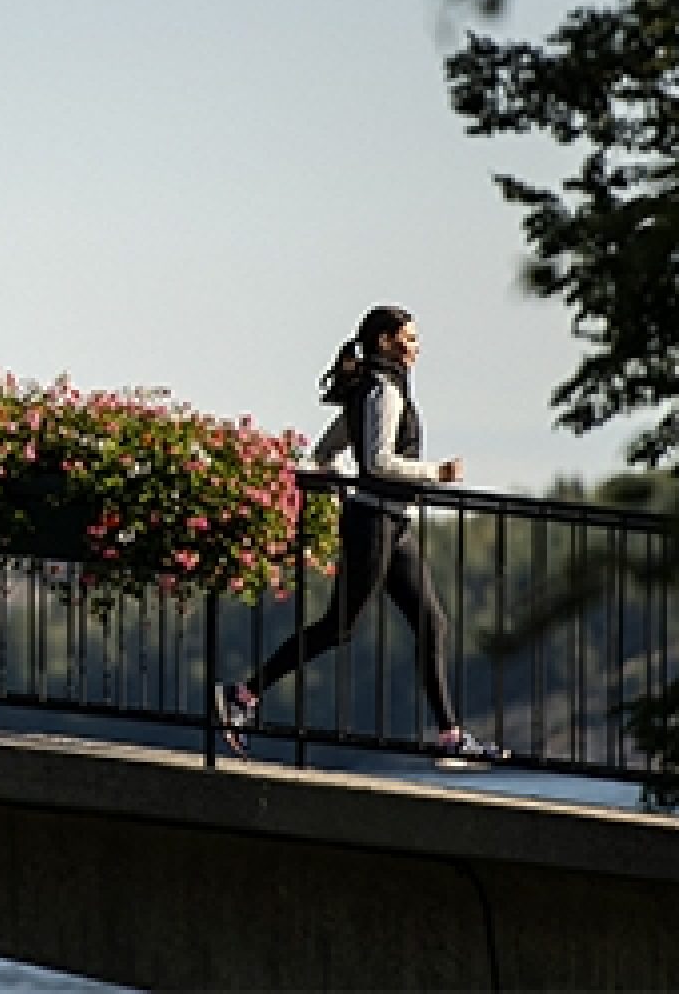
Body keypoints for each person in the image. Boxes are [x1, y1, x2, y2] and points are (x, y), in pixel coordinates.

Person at [216, 305, 508, 762]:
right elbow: (376, 463)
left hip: (393, 524)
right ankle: (242, 695)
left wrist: (332, 490)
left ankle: (451, 737)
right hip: (374, 522)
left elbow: (327, 452)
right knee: (338, 628)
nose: (417, 346)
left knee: (433, 622)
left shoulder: (372, 389)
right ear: (385, 341)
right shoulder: (381, 391)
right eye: (409, 338)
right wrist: (437, 472)